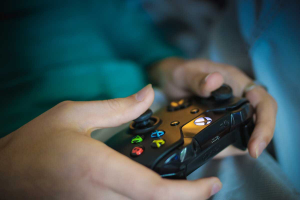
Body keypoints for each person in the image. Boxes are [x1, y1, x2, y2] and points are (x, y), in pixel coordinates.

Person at [0, 0, 278, 199]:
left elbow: (124, 23)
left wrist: (169, 65)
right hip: (33, 150)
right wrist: (8, 169)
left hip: (154, 106)